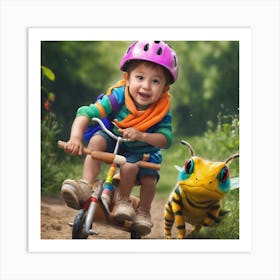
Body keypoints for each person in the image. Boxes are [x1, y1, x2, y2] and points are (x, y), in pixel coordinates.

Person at [61, 41, 179, 235]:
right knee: (97, 141)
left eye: (155, 81)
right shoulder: (118, 96)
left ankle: (131, 204)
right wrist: (75, 138)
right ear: (127, 78)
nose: (146, 86)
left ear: (165, 88)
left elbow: (165, 139)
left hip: (141, 151)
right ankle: (85, 184)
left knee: (138, 171)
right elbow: (86, 113)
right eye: (140, 77)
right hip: (113, 139)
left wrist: (142, 135)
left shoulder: (161, 111)